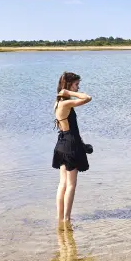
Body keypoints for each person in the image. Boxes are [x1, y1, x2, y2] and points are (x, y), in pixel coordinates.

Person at [53, 71, 92, 223]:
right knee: (71, 185)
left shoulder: (57, 103)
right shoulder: (66, 102)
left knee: (62, 183)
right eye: (76, 85)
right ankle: (67, 219)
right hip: (70, 146)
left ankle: (60, 218)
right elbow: (88, 98)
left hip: (61, 144)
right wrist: (69, 92)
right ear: (68, 85)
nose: (78, 88)